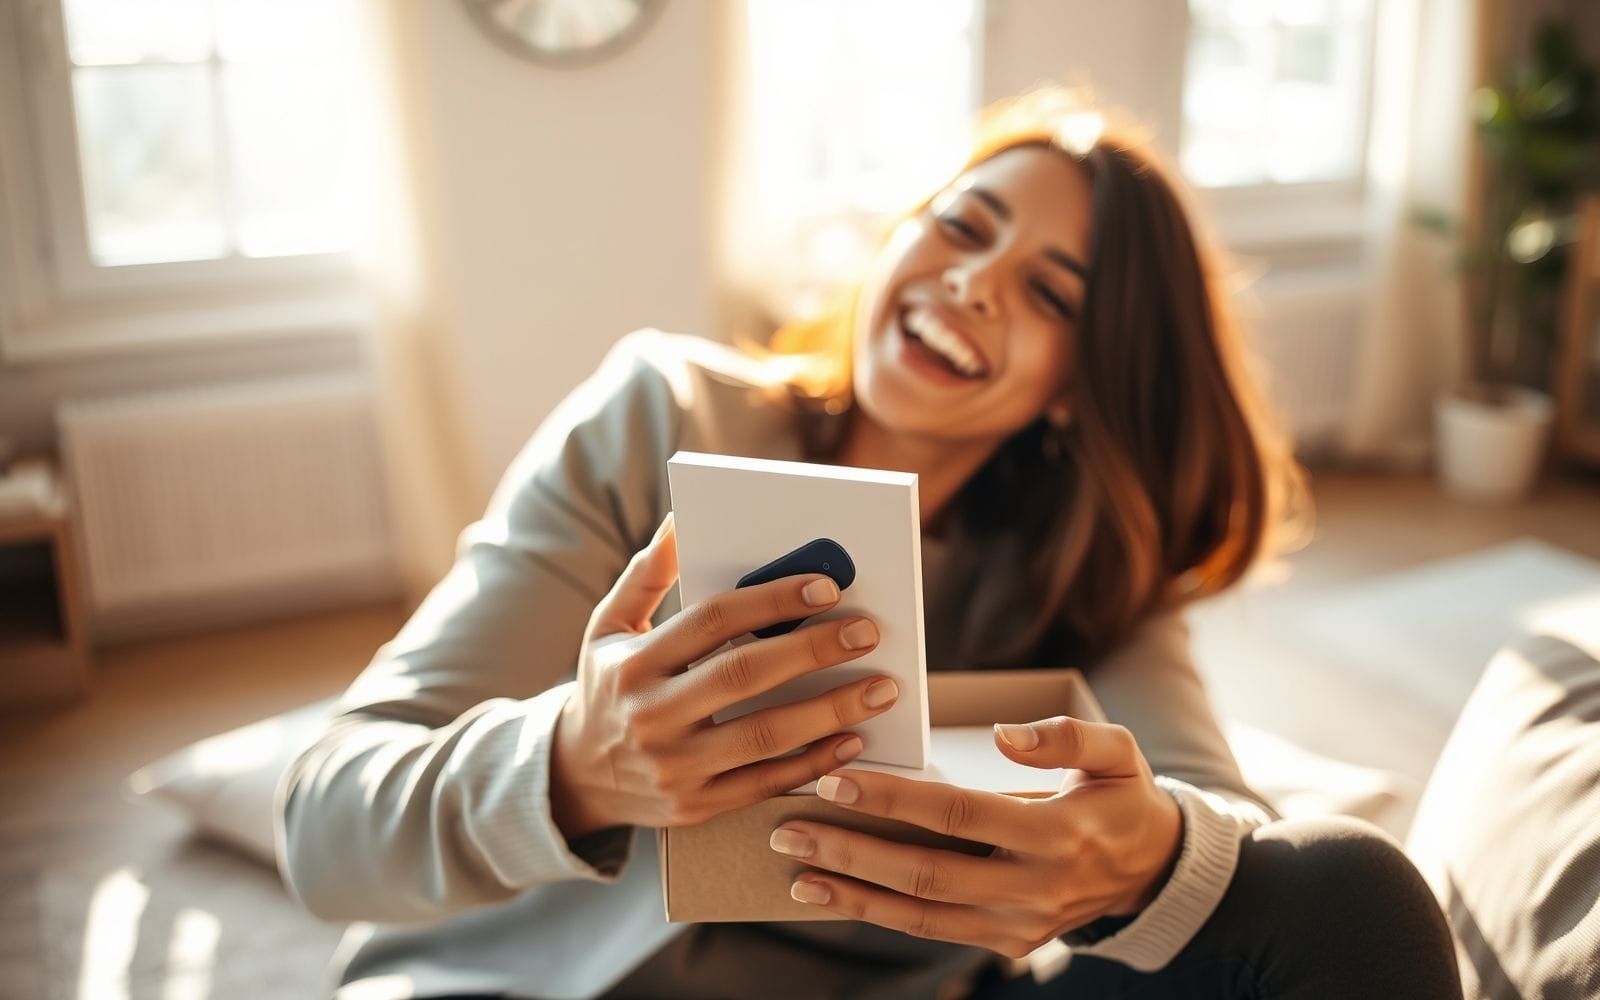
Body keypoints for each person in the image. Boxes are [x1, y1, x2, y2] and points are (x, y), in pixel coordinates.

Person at [277, 87, 1464, 999]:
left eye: (1052, 295)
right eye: (962, 225)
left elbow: (1225, 823)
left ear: (1078, 385)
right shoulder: (661, 417)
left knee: (1343, 889)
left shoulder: (1082, 565)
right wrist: (577, 762)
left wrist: (1143, 858)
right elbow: (325, 826)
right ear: (897, 242)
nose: (977, 281)